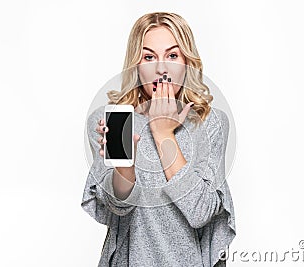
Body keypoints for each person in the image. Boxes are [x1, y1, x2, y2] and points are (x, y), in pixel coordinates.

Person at [81, 12, 236, 267]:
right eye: (149, 57)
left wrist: (163, 133)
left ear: (187, 61)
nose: (161, 68)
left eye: (172, 56)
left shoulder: (210, 123)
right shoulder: (111, 120)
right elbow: (116, 208)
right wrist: (125, 164)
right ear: (136, 64)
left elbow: (201, 212)